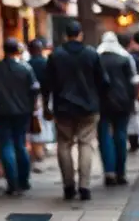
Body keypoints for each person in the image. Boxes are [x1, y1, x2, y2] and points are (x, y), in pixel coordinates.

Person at [43, 21, 108, 201]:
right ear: (80, 34)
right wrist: (99, 99)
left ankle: (68, 186)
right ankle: (84, 186)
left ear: (65, 35)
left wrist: (46, 105)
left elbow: (46, 83)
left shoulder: (56, 55)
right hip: (88, 107)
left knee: (64, 144)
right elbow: (103, 81)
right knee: (86, 144)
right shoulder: (91, 54)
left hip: (63, 107)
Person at [0, 39, 40, 196]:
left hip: (2, 111)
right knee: (20, 144)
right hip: (22, 112)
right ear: (17, 50)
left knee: (6, 145)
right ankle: (23, 181)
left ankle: (12, 183)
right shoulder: (25, 68)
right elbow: (34, 89)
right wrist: (33, 107)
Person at [97, 33, 139, 186]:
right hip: (123, 102)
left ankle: (109, 172)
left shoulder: (97, 58)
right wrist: (132, 101)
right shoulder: (125, 58)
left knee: (104, 136)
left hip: (102, 103)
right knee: (121, 135)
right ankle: (121, 172)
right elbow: (133, 81)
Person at [27, 39, 50, 164]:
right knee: (42, 125)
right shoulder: (47, 63)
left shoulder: (26, 65)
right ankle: (40, 150)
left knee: (35, 125)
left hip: (30, 99)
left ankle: (37, 151)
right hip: (45, 98)